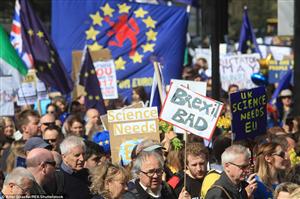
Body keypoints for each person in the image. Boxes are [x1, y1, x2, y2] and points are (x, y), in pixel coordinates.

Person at [126, 151, 191, 199]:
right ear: (138, 173)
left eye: (158, 171)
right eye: (150, 172)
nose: (155, 176)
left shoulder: (167, 189)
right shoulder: (130, 196)